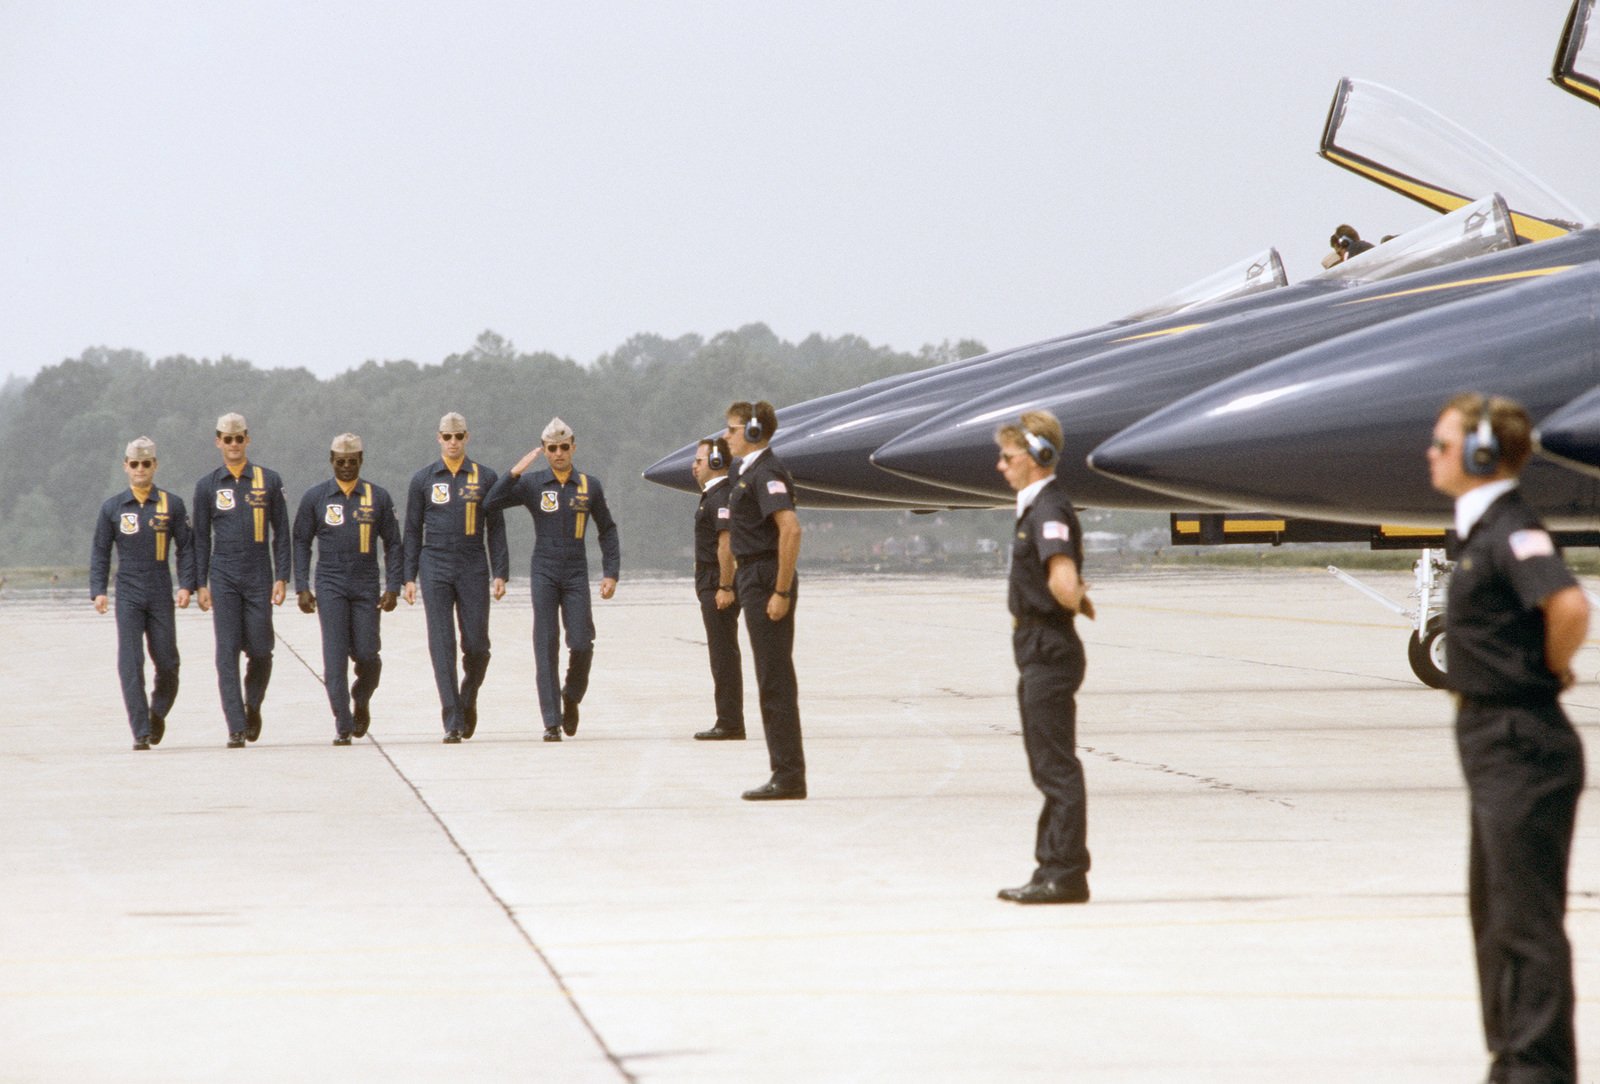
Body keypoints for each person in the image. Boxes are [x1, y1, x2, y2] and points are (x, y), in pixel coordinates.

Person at [1427, 392, 1588, 1082]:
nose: (1429, 456)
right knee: (1494, 915)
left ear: (1480, 453)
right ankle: (1512, 1060)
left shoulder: (1513, 530)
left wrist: (1549, 667)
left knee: (1524, 921)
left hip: (1521, 738)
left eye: (1441, 444)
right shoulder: (1476, 530)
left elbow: (1571, 604)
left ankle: (1539, 1069)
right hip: (1493, 739)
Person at [993, 410, 1095, 904]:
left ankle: (1066, 873)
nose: (1001, 465)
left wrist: (1072, 593)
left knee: (1055, 767)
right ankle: (1050, 866)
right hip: (1040, 645)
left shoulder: (1048, 511)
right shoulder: (1037, 507)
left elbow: (1061, 578)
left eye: (1009, 457)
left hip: (1047, 646)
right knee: (1046, 764)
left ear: (1038, 458)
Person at [485, 417, 619, 742]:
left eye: (563, 447)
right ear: (544, 450)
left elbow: (607, 529)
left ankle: (571, 695)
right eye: (551, 448)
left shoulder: (589, 485)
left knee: (582, 642)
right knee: (545, 644)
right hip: (543, 569)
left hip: (575, 571)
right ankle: (551, 721)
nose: (558, 453)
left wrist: (611, 572)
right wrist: (514, 472)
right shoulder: (532, 484)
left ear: (573, 447)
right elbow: (490, 502)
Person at [403, 412, 509, 744]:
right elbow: (411, 530)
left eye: (459, 436)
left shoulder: (485, 477)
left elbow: (497, 529)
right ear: (438, 438)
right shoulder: (423, 480)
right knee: (442, 643)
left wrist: (500, 572)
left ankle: (468, 696)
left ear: (467, 438)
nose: (453, 442)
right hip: (434, 563)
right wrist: (408, 576)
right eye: (447, 437)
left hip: (472, 563)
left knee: (477, 645)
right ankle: (451, 717)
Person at [292, 434, 404, 745]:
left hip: (366, 580)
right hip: (330, 580)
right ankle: (343, 722)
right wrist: (301, 585)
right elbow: (301, 540)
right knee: (335, 656)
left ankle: (361, 697)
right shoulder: (316, 498)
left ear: (361, 461)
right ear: (331, 461)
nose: (345, 467)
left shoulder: (378, 497)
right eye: (340, 462)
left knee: (368, 654)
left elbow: (394, 544)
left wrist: (393, 586)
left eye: (351, 462)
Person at [722, 400, 806, 799]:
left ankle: (788, 776)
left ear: (753, 432)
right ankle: (784, 771)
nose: (726, 436)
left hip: (766, 574)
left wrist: (781, 591)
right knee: (768, 677)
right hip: (753, 575)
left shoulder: (767, 472)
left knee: (775, 679)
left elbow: (790, 530)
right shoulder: (748, 472)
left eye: (732, 429)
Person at [90, 437, 197, 750]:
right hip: (128, 591)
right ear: (126, 466)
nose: (140, 469)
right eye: (134, 464)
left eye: (146, 463)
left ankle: (157, 712)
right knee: (130, 661)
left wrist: (187, 585)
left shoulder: (171, 504)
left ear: (155, 465)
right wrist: (98, 590)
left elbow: (186, 548)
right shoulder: (112, 508)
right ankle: (140, 730)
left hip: (161, 588)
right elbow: (100, 551)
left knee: (168, 662)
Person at [192, 412, 290, 749]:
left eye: (239, 438)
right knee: (227, 650)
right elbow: (200, 538)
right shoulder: (207, 486)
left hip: (259, 570)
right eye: (226, 438)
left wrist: (283, 576)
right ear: (218, 441)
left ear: (247, 439)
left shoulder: (268, 481)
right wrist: (200, 583)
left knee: (262, 649)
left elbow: (283, 533)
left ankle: (253, 704)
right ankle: (235, 724)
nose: (233, 445)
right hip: (223, 572)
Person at [690, 436, 744, 741]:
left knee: (723, 655)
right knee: (722, 654)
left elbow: (726, 545)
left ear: (714, 463)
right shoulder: (713, 496)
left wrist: (725, 586)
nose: (693, 466)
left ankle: (730, 722)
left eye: (698, 461)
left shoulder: (720, 497)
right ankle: (729, 718)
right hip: (711, 583)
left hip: (717, 585)